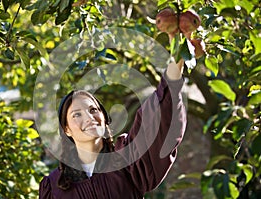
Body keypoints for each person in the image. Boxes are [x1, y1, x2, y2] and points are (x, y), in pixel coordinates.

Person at [39, 58, 186, 199]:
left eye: (93, 110)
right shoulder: (54, 188)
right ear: (66, 129)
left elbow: (154, 121)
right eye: (77, 114)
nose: (89, 118)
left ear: (104, 117)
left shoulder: (126, 161)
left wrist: (180, 53)